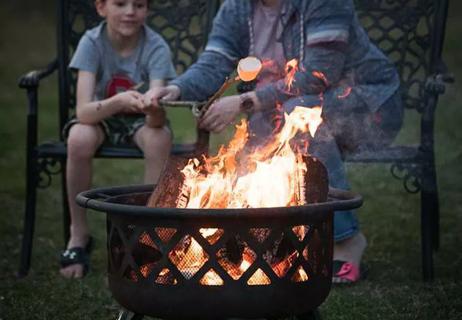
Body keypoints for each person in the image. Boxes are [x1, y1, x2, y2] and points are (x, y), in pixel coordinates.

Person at [151, 0, 403, 283]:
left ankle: (346, 240)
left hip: (366, 104)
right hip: (281, 109)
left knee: (298, 113)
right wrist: (176, 88)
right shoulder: (237, 8)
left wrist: (245, 101)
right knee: (269, 125)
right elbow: (214, 63)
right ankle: (281, 238)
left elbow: (318, 76)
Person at [60, 0, 176, 279]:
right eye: (120, 3)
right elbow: (84, 111)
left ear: (147, 11)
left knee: (159, 138)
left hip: (141, 121)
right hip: (100, 118)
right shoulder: (92, 43)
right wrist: (119, 100)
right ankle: (78, 235)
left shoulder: (156, 46)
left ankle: (147, 234)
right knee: (78, 137)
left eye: (139, 5)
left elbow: (157, 121)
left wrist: (152, 108)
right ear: (101, 8)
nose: (130, 12)